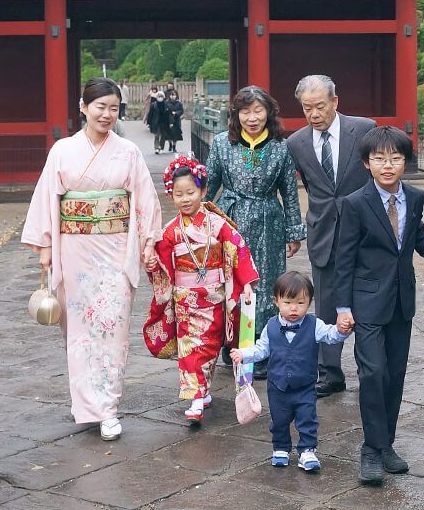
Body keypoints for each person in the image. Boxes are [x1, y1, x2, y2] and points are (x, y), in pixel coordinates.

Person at [21, 77, 162, 440]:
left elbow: (145, 198)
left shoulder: (128, 152)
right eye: (100, 106)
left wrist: (147, 240)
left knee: (113, 329)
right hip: (75, 249)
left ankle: (109, 408)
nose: (107, 114)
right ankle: (86, 404)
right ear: (83, 107)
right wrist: (47, 247)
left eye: (114, 108)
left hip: (116, 249)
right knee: (80, 331)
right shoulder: (62, 151)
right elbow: (47, 199)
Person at [334, 126, 424, 485]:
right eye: (379, 159)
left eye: (395, 158)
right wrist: (342, 307)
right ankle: (370, 449)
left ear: (405, 161)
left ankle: (387, 445)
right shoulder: (354, 204)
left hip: (401, 301)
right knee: (372, 372)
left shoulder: (416, 196)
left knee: (394, 376)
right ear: (367, 163)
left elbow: (417, 234)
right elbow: (343, 259)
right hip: (365, 302)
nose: (388, 165)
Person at [143, 155, 258, 422]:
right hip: (185, 300)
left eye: (191, 192)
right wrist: (151, 260)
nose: (185, 199)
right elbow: (159, 258)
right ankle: (195, 397)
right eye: (178, 194)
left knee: (209, 346)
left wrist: (248, 283)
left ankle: (203, 390)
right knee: (190, 348)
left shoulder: (218, 224)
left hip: (214, 296)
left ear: (204, 191)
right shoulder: (171, 230)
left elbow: (238, 248)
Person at [206, 86, 306, 378]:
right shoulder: (222, 143)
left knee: (265, 284)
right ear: (236, 114)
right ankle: (232, 344)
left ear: (269, 113)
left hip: (268, 222)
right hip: (230, 219)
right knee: (230, 282)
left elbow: (289, 191)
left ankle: (262, 349)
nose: (252, 118)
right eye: (245, 111)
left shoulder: (279, 147)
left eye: (258, 110)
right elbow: (209, 185)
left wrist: (293, 231)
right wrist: (199, 223)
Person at [286, 75, 375, 397]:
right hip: (323, 230)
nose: (313, 114)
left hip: (363, 230)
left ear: (335, 102)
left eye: (319, 107)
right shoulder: (296, 143)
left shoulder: (364, 129)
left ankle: (370, 369)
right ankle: (329, 373)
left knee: (366, 301)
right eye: (307, 108)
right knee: (324, 304)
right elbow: (310, 186)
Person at [231, 271, 351, 471]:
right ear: (276, 301)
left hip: (305, 385)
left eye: (300, 303)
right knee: (279, 419)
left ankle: (307, 450)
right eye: (288, 303)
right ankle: (280, 448)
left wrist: (341, 330)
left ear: (309, 303)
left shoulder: (314, 325)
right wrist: (244, 354)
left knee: (308, 418)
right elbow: (262, 348)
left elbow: (331, 336)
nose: (294, 308)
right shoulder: (271, 326)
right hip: (278, 385)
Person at [163, 88, 184, 152]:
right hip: (169, 120)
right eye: (171, 95)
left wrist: (176, 113)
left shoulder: (179, 103)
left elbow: (181, 110)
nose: (173, 96)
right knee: (169, 133)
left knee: (176, 134)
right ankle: (170, 144)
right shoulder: (166, 103)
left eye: (174, 95)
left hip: (176, 120)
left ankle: (174, 147)